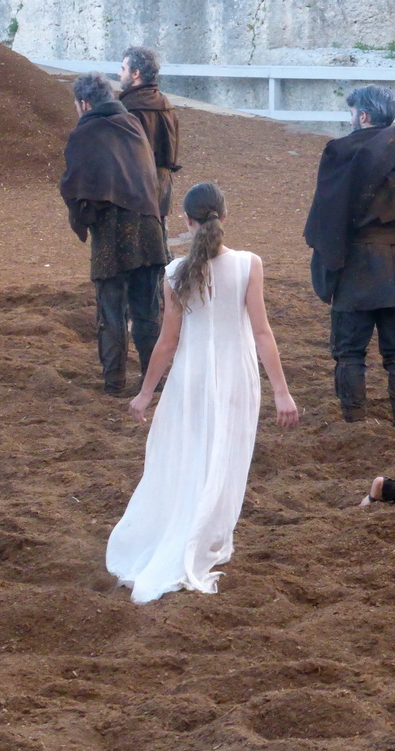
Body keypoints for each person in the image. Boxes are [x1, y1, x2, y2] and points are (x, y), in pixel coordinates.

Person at [106, 183, 299, 604]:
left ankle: (186, 535)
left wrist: (145, 393)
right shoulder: (250, 264)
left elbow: (166, 342)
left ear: (187, 222)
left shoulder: (174, 272)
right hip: (236, 376)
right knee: (223, 460)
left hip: (190, 378)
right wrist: (282, 392)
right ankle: (207, 541)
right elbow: (262, 333)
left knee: (188, 457)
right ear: (225, 218)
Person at [59, 72, 169, 395]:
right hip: (150, 229)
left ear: (83, 103)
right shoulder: (134, 125)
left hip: (111, 234)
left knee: (111, 310)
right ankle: (155, 379)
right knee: (147, 310)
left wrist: (86, 217)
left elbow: (75, 188)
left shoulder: (85, 134)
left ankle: (114, 383)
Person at [304, 85, 395, 422]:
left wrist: (329, 264)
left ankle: (354, 419)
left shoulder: (341, 153)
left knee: (350, 352)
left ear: (363, 115)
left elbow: (328, 219)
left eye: (352, 112)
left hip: (355, 268)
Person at [118, 46, 181, 240]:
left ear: (135, 74)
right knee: (159, 243)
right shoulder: (166, 106)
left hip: (134, 189)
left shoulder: (127, 110)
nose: (119, 73)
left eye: (123, 69)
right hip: (162, 185)